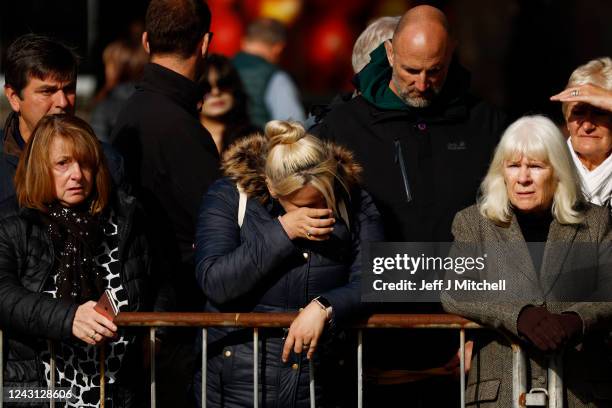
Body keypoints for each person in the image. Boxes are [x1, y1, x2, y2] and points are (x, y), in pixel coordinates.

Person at [314, 5, 507, 406]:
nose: (422, 83)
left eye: (434, 71)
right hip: (366, 348)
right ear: (388, 54)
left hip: (462, 347)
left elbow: (509, 233)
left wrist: (486, 335)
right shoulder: (340, 128)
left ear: (452, 53)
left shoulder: (487, 125)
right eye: (410, 71)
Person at [193, 120, 383, 407]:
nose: (318, 211)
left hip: (318, 379)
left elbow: (374, 278)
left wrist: (326, 306)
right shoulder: (230, 196)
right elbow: (215, 282)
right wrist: (282, 232)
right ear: (272, 188)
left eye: (323, 198)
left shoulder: (354, 200)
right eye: (304, 205)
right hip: (238, 380)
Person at [441, 115, 612, 406]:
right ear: (501, 172)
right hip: (501, 393)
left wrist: (576, 320)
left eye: (535, 166)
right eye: (513, 166)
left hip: (578, 391)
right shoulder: (474, 223)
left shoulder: (595, 221)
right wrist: (518, 315)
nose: (523, 178)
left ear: (557, 171)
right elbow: (456, 290)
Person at [0, 114, 152, 407]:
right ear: (39, 167)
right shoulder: (14, 223)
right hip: (39, 393)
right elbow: (3, 293)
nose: (78, 175)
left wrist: (154, 335)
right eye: (63, 164)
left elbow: (157, 280)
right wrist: (69, 318)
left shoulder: (124, 219)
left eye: (85, 164)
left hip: (115, 392)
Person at [111, 1, 218, 405]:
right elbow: (219, 222)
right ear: (205, 43)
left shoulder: (139, 111)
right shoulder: (175, 126)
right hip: (176, 319)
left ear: (145, 41)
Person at [1, 33, 124, 207]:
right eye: (47, 91)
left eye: (68, 89)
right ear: (13, 97)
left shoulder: (107, 162)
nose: (63, 102)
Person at [550, 57, 612, 211]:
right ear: (566, 119)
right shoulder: (542, 168)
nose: (587, 125)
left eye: (600, 112)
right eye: (578, 112)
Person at [233, 18, 306, 127]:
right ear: (278, 48)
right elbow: (294, 128)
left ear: (243, 41)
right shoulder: (276, 77)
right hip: (260, 142)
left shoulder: (221, 69)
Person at [90, 39, 148, 143]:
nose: (105, 70)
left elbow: (100, 148)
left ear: (116, 69)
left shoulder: (105, 107)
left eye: (107, 65)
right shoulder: (151, 98)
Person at [199, 54, 259, 153]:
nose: (216, 92)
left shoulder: (255, 139)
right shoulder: (181, 137)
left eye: (223, 84)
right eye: (206, 87)